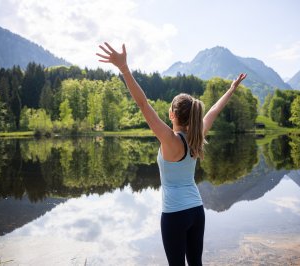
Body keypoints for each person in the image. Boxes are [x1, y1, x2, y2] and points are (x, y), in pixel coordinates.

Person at [97, 42, 246, 266]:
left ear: (173, 114)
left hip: (175, 214)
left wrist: (124, 69)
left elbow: (143, 104)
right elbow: (214, 110)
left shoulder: (170, 140)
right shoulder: (197, 135)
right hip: (197, 211)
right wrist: (231, 89)